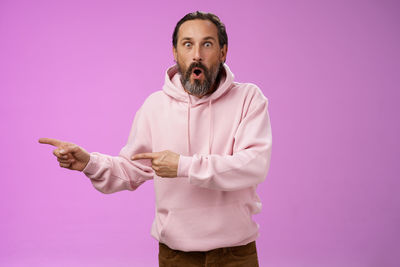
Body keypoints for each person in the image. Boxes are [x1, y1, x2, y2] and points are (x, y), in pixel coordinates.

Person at [39, 11, 272, 267]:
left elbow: (253, 165)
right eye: (187, 44)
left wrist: (183, 166)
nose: (197, 54)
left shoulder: (249, 98)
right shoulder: (154, 106)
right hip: (175, 255)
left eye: (207, 44)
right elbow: (130, 170)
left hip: (236, 255)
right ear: (175, 52)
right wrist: (89, 163)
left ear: (222, 52)